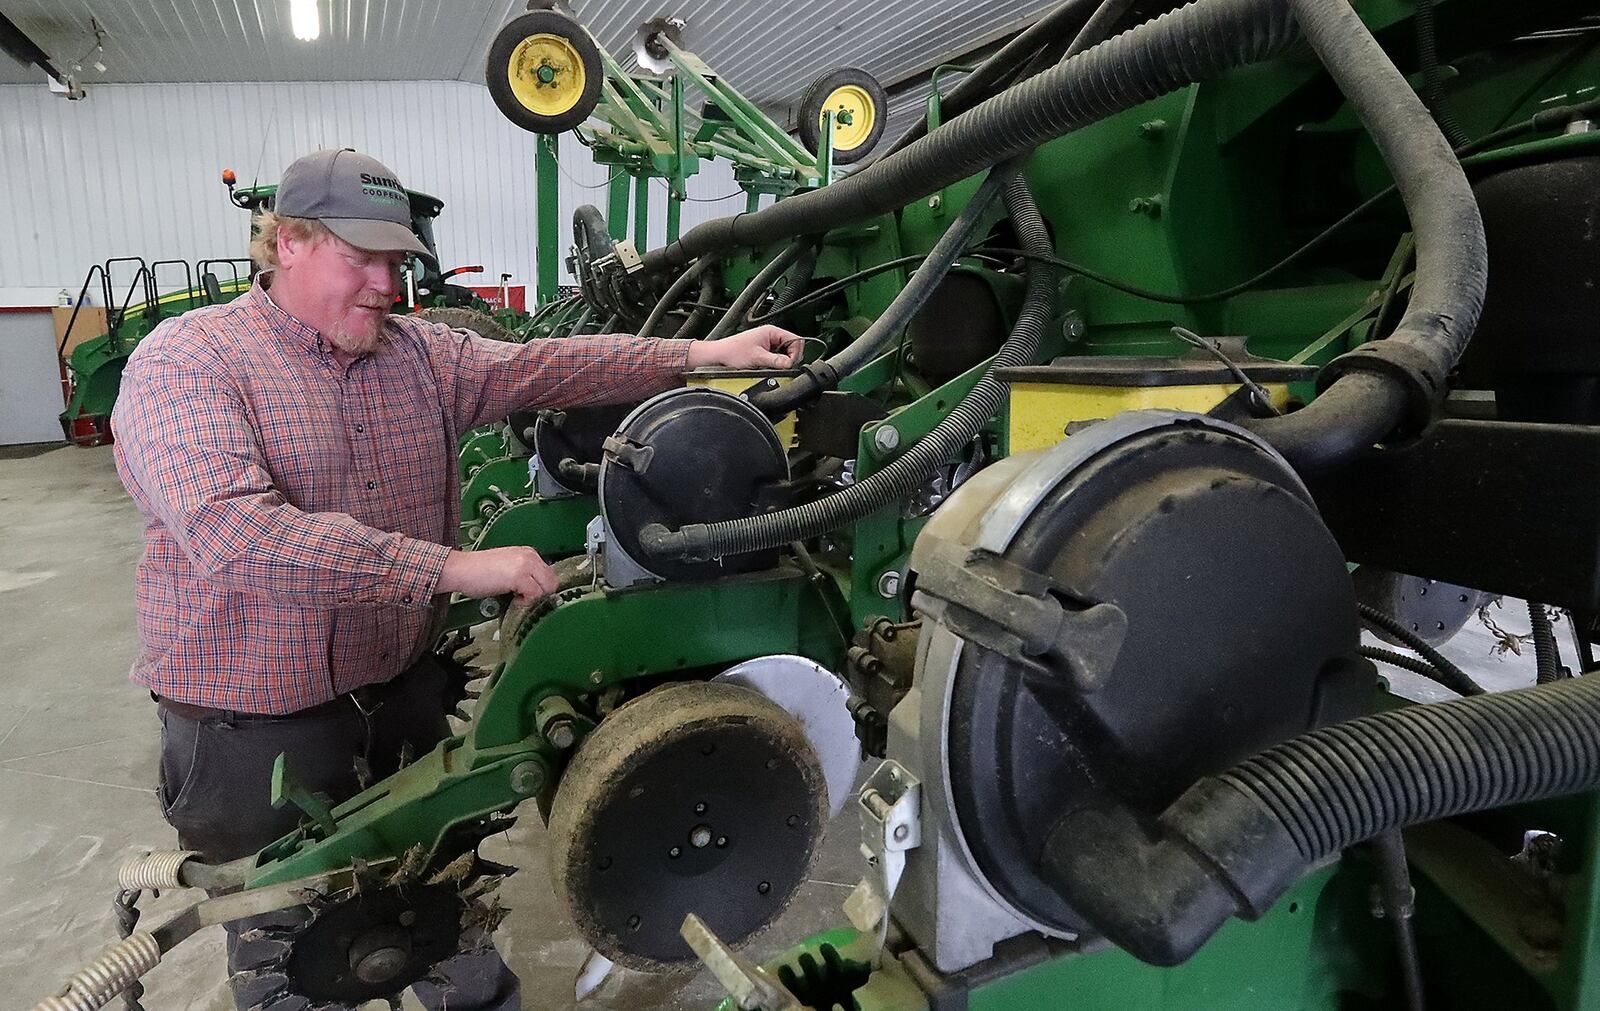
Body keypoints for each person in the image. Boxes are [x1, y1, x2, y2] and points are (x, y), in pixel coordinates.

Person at [110, 148, 801, 1010]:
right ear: (285, 242)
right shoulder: (190, 362)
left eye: (395, 261)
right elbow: (235, 535)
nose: (383, 283)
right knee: (296, 958)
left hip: (400, 704)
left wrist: (703, 351)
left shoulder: (420, 357)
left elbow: (552, 366)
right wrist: (448, 566)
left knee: (442, 930)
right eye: (359, 258)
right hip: (255, 736)